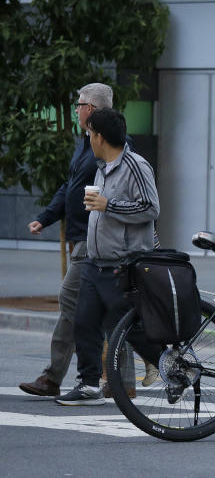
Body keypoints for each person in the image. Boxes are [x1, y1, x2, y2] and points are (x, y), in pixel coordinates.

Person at [55, 108, 163, 405]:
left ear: (100, 137)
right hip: (95, 260)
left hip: (122, 262)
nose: (88, 139)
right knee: (84, 322)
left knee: (128, 328)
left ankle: (173, 365)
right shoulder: (103, 166)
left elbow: (151, 209)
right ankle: (89, 384)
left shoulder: (136, 166)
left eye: (90, 134)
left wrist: (109, 205)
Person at [19, 83, 121, 398]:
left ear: (91, 108)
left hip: (97, 238)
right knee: (97, 308)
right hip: (82, 236)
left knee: (71, 302)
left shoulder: (113, 143)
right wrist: (46, 217)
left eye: (79, 104)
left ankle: (58, 377)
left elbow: (126, 188)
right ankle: (119, 378)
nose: (76, 109)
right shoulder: (85, 143)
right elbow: (70, 186)